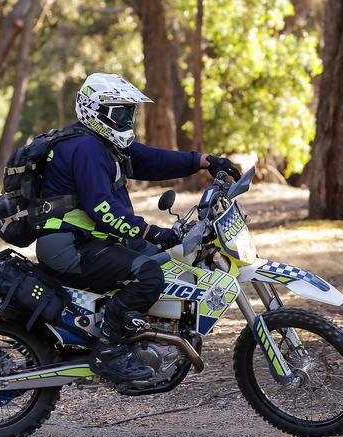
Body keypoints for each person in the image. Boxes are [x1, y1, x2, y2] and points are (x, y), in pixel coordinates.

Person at [35, 73, 240, 383]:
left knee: (165, 258)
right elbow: (102, 208)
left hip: (88, 239)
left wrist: (204, 161)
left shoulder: (101, 143)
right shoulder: (86, 148)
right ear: (95, 110)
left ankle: (143, 335)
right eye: (120, 112)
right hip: (70, 245)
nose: (126, 119)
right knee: (147, 273)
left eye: (129, 112)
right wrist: (149, 231)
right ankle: (108, 351)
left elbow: (150, 160)